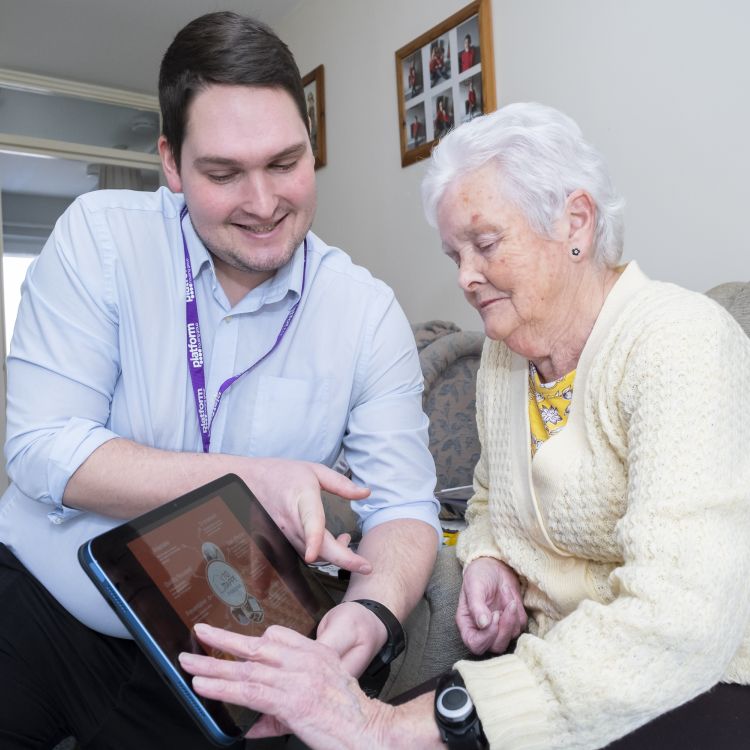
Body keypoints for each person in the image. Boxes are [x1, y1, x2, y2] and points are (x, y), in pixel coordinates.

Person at [178, 102, 750, 749]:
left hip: (698, 682)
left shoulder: (682, 344)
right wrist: (487, 560)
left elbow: (680, 624)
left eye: (485, 244)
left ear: (577, 222)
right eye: (455, 253)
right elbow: (485, 498)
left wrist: (392, 729)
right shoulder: (506, 354)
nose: (465, 278)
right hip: (548, 668)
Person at [0, 11, 440, 749]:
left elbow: (406, 506)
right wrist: (249, 477)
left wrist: (369, 616)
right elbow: (42, 448)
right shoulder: (100, 238)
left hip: (222, 658)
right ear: (170, 163)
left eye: (284, 163)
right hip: (39, 607)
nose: (265, 204)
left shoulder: (366, 314)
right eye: (224, 173)